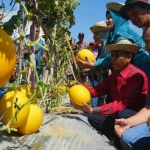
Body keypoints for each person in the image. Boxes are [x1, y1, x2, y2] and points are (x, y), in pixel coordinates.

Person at [71, 39, 148, 149]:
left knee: (123, 113)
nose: (113, 59)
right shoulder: (113, 77)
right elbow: (97, 90)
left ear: (129, 58)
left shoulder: (136, 76)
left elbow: (122, 105)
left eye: (117, 55)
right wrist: (79, 87)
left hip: (135, 118)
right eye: (112, 55)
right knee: (93, 118)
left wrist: (94, 109)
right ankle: (114, 139)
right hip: (118, 115)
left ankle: (121, 142)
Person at [113, 1, 150, 149]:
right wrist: (129, 122)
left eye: (135, 12)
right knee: (128, 136)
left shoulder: (138, 75)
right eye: (146, 43)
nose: (147, 49)